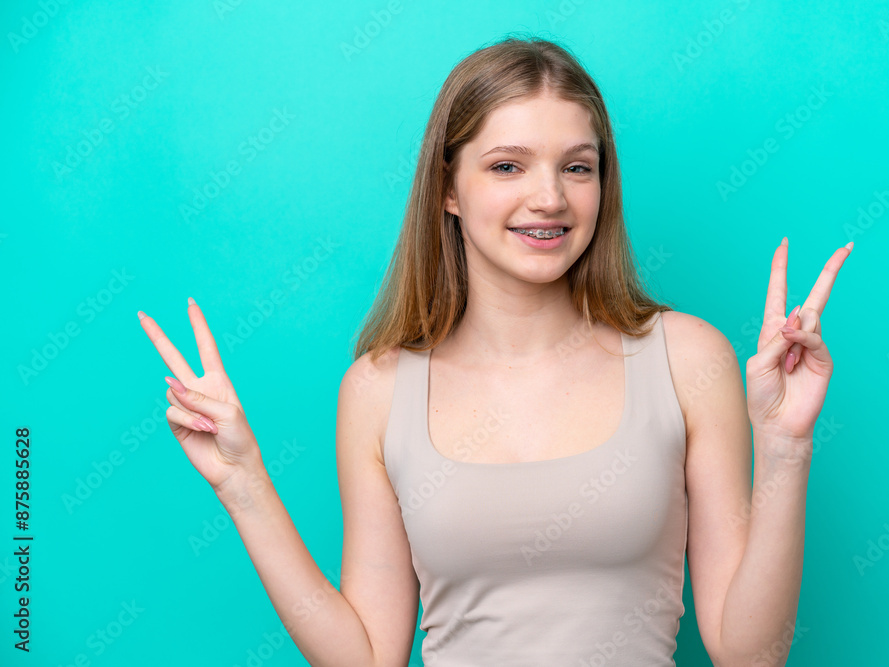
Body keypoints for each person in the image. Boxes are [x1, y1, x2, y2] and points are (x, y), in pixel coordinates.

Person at [138, 35, 851, 666]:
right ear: (448, 187)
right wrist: (244, 484)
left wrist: (786, 448)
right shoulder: (379, 389)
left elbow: (750, 654)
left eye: (577, 167)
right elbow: (366, 657)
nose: (549, 197)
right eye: (508, 166)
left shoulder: (689, 359)